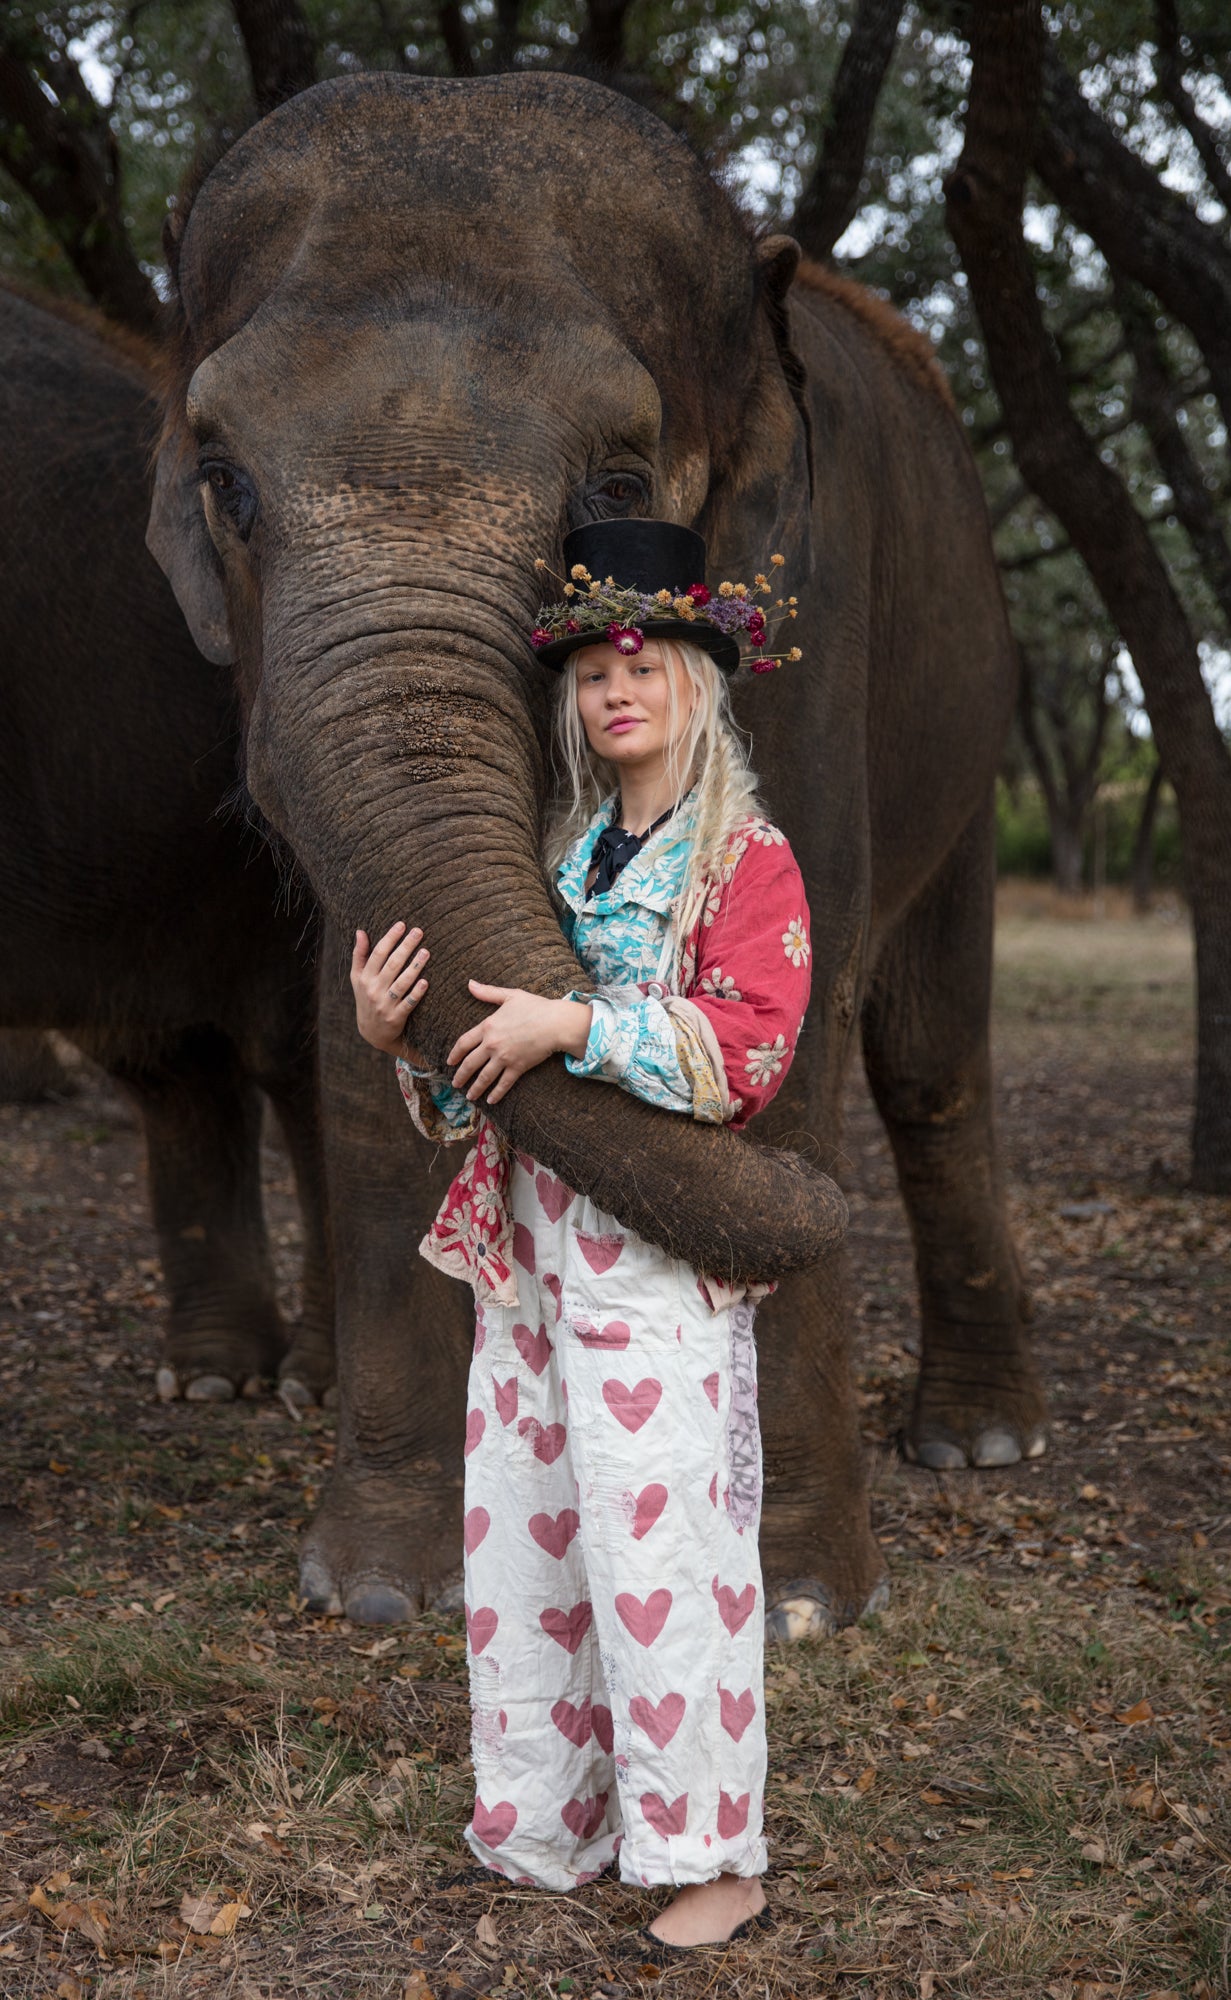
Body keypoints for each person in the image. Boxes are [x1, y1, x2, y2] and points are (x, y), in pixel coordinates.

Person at [351, 519, 809, 1957]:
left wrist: (578, 1024)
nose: (618, 690)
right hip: (528, 1253)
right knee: (525, 1545)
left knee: (661, 1544)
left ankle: (713, 1857)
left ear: (694, 682)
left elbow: (748, 1054)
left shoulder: (745, 862)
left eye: (643, 665)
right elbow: (485, 1082)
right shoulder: (554, 860)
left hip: (657, 1255)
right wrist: (402, 1041)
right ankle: (548, 1820)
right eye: (597, 673)